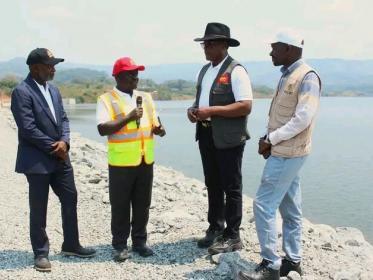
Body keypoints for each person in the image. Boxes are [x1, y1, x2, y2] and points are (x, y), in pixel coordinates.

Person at [238, 31, 321, 280]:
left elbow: (303, 118)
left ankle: (271, 265)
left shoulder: (307, 77)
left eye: (274, 48)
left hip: (288, 153)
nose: (271, 53)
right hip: (284, 150)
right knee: (291, 208)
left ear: (289, 49)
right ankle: (292, 262)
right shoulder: (288, 75)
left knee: (263, 205)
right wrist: (267, 137)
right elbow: (279, 116)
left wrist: (271, 140)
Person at [10, 48, 96, 272]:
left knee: (70, 197)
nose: (53, 69)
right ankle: (40, 253)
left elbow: (64, 119)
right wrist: (54, 146)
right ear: (35, 68)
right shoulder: (22, 91)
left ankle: (71, 244)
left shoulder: (54, 90)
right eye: (49, 65)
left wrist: (65, 142)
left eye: (54, 65)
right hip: (37, 160)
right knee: (39, 207)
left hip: (61, 157)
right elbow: (27, 128)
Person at [187, 22, 253, 255]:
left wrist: (211, 112)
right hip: (206, 134)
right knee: (212, 183)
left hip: (228, 138)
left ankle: (233, 235)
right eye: (204, 43)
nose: (206, 47)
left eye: (211, 43)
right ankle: (215, 227)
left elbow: (245, 106)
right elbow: (201, 101)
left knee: (231, 186)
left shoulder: (236, 71)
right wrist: (194, 110)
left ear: (224, 45)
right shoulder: (204, 70)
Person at [96, 57, 165, 262]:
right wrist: (128, 117)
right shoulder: (106, 99)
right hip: (121, 164)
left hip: (145, 160)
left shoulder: (145, 98)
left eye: (137, 73)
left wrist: (159, 129)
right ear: (118, 76)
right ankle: (119, 244)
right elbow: (102, 129)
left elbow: (155, 123)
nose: (136, 77)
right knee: (120, 205)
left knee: (143, 204)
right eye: (130, 73)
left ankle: (140, 242)